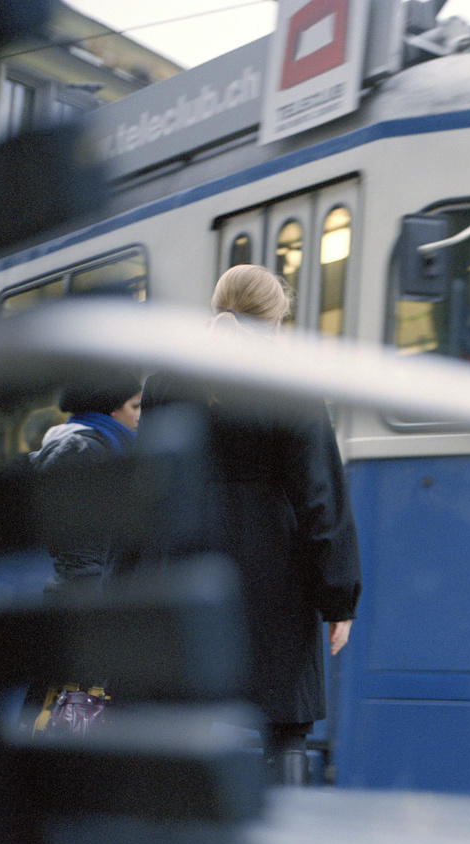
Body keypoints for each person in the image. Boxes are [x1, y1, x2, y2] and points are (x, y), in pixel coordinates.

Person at [141, 265, 362, 784]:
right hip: (274, 575)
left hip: (189, 565)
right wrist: (339, 600)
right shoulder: (289, 384)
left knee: (191, 713)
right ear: (277, 321)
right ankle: (280, 835)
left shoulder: (165, 384)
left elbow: (147, 487)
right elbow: (320, 500)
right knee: (285, 725)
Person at [24, 370, 143, 731]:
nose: (141, 415)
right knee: (69, 727)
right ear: (111, 410)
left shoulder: (105, 447)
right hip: (84, 613)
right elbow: (81, 556)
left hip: (97, 607)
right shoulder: (82, 451)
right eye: (135, 406)